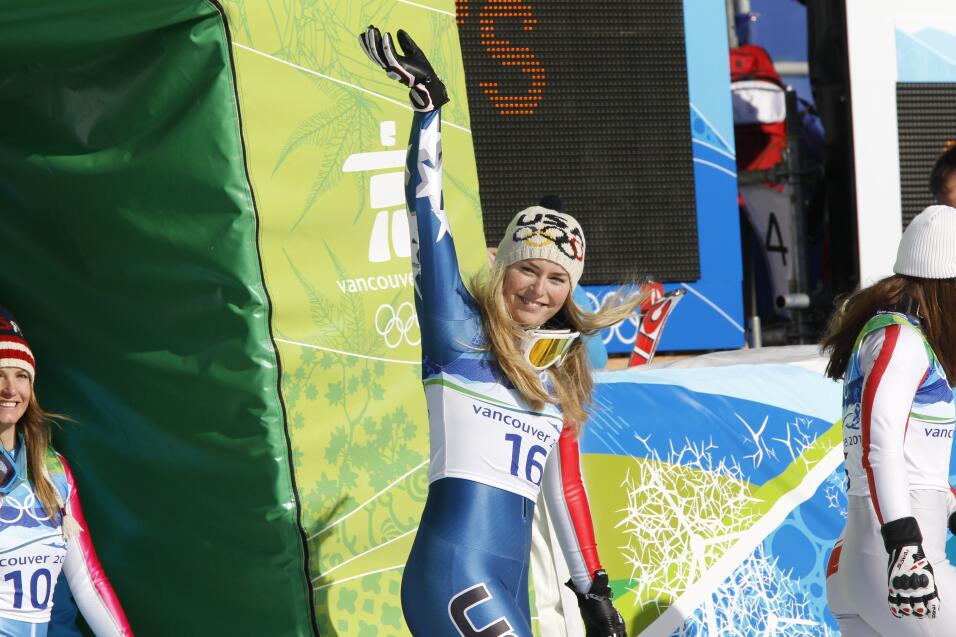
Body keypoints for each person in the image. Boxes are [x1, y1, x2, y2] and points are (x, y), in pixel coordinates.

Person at [359, 26, 637, 637]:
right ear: (502, 268)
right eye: (527, 269)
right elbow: (425, 217)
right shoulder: (457, 331)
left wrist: (594, 592)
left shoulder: (556, 369)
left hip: (506, 581)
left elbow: (563, 488)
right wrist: (429, 117)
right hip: (454, 570)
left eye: (557, 280)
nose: (539, 290)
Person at [822, 205, 956, 636]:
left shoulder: (898, 337)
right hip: (895, 557)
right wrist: (903, 545)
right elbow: (881, 450)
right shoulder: (901, 340)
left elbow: (918, 459)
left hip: (871, 557)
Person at [0, 308, 133, 636]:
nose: (10, 389)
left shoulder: (52, 468)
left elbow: (87, 581)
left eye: (21, 375)